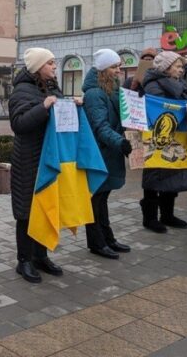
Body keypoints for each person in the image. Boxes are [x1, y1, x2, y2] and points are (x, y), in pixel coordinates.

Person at [8, 48, 82, 283]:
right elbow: (19, 124)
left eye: (53, 62)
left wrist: (73, 105)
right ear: (38, 66)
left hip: (48, 157)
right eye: (49, 63)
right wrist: (44, 107)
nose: (53, 66)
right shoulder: (21, 91)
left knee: (46, 206)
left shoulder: (51, 87)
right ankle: (24, 261)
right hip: (28, 160)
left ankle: (41, 256)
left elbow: (59, 117)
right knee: (27, 212)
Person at [82, 49, 133, 259]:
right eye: (114, 67)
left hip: (108, 153)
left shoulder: (113, 90)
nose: (118, 71)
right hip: (99, 154)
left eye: (119, 66)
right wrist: (120, 142)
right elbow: (100, 126)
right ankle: (97, 242)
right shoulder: (95, 93)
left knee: (102, 199)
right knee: (95, 201)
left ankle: (107, 238)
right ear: (103, 69)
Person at [139, 51, 187, 233]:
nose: (181, 70)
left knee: (173, 174)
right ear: (166, 68)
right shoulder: (152, 84)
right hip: (157, 138)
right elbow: (161, 106)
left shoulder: (181, 84)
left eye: (182, 67)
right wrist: (185, 104)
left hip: (177, 136)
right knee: (155, 176)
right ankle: (150, 218)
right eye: (178, 66)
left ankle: (167, 214)